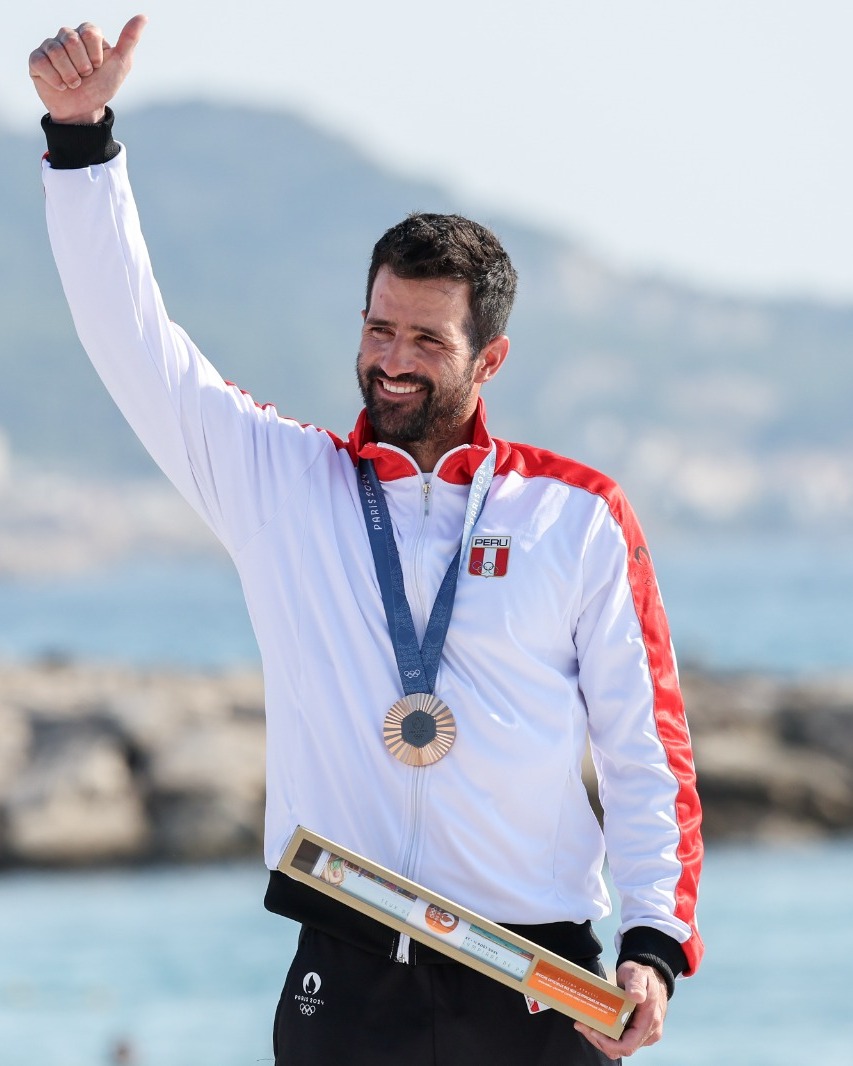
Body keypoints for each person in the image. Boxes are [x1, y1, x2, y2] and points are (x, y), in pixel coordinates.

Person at [29, 15, 703, 1064]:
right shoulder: (282, 484)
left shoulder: (576, 514)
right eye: (377, 328)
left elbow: (642, 746)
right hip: (344, 980)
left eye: (427, 340)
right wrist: (81, 143)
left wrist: (654, 941)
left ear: (491, 358)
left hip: (538, 980)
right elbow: (133, 344)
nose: (392, 361)